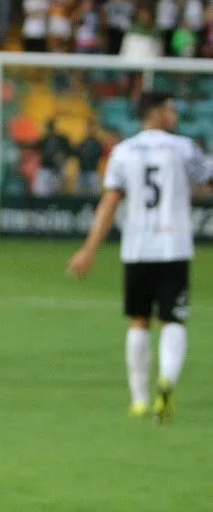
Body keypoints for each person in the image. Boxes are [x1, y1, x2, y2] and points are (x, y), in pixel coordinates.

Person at [68, 92, 213, 422]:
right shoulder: (183, 148)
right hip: (174, 247)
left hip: (137, 249)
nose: (175, 115)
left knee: (138, 320)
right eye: (171, 109)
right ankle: (167, 381)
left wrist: (89, 249)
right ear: (156, 112)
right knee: (173, 319)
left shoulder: (123, 152)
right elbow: (207, 177)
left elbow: (109, 203)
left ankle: (139, 399)